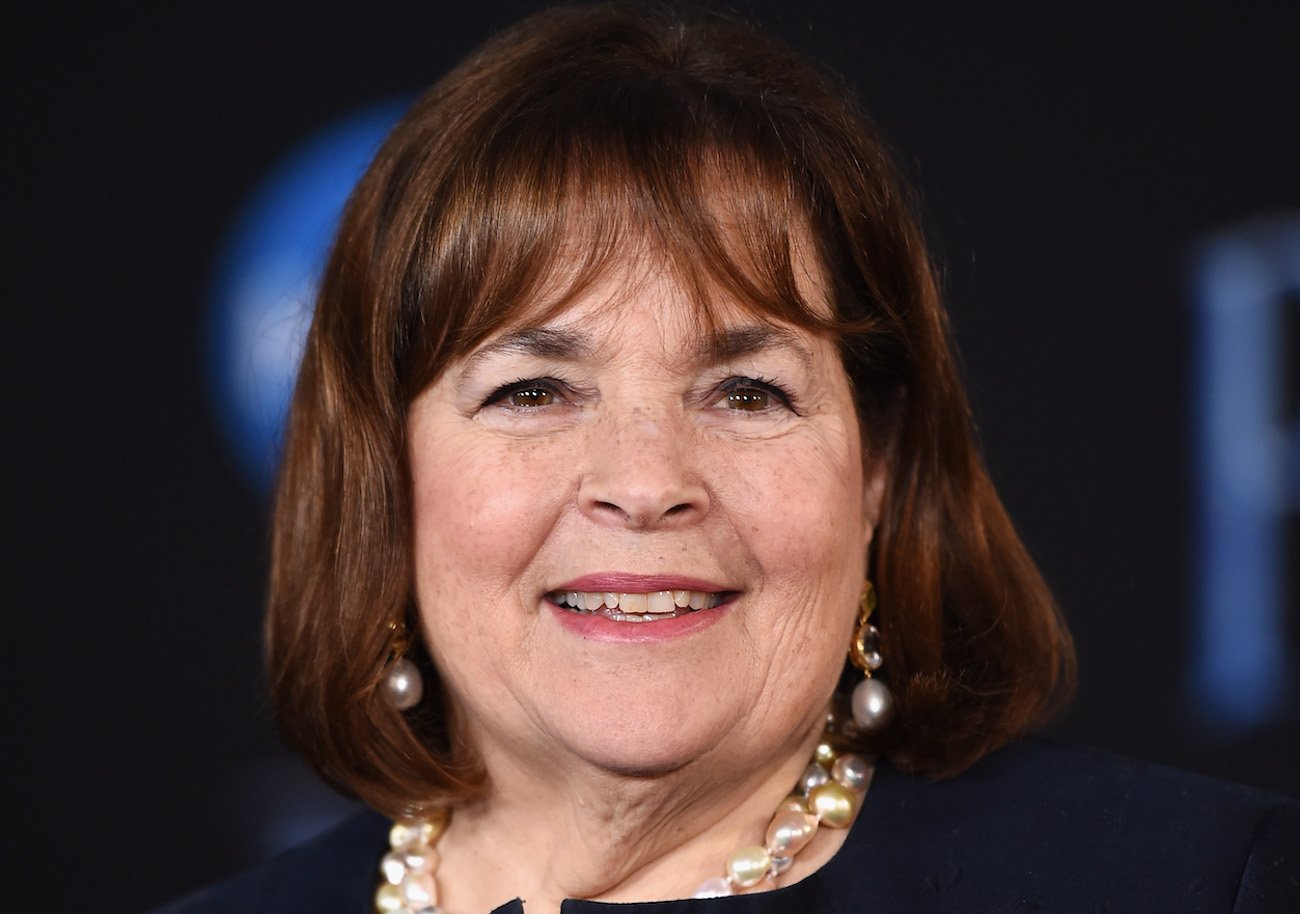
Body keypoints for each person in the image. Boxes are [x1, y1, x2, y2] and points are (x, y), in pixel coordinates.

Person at [155, 4, 1298, 912]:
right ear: (387, 476)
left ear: (879, 467)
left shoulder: (1188, 882)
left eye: (747, 391)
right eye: (534, 389)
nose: (647, 480)